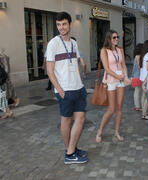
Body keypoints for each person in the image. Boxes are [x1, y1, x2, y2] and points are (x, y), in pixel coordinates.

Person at [46, 12, 88, 164]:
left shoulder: (74, 43)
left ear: (70, 25)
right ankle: (70, 153)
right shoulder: (53, 44)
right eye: (58, 25)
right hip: (65, 90)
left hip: (78, 87)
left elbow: (75, 64)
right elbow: (49, 70)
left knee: (81, 119)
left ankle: (72, 149)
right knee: (66, 120)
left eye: (64, 24)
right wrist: (59, 89)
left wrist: (81, 83)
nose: (61, 27)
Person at [95, 30, 131, 143]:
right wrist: (121, 77)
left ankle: (116, 132)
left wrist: (126, 76)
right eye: (114, 37)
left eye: (118, 37)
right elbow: (107, 69)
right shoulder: (104, 51)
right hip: (111, 80)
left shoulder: (120, 50)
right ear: (109, 38)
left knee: (119, 107)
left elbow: (123, 65)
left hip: (121, 80)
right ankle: (100, 131)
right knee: (111, 109)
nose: (117, 39)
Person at [139, 40, 148, 120]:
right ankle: (144, 114)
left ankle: (144, 112)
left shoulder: (143, 55)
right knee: (147, 97)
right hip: (146, 78)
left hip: (142, 77)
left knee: (143, 96)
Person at [132, 43, 143, 111]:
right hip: (138, 76)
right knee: (138, 91)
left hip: (136, 76)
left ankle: (137, 105)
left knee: (137, 91)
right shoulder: (138, 56)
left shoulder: (137, 56)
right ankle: (137, 106)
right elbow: (139, 67)